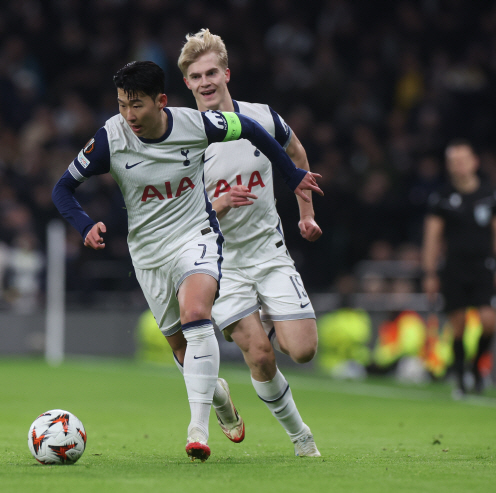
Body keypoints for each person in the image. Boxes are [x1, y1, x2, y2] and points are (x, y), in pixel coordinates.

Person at [52, 61, 323, 461]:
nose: (129, 115)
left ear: (161, 102)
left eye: (137, 106)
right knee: (182, 349)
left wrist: (290, 175)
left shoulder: (194, 126)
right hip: (148, 254)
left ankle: (197, 430)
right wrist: (84, 224)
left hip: (198, 238)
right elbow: (63, 189)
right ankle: (217, 396)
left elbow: (249, 128)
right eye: (123, 105)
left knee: (197, 313)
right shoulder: (111, 137)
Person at [177, 29, 321, 457]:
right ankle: (301, 438)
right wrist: (217, 204)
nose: (205, 82)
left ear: (226, 73)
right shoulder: (184, 139)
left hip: (270, 253)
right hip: (220, 265)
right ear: (187, 83)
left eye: (211, 72)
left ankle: (272, 319)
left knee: (304, 350)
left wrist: (306, 213)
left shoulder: (262, 117)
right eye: (196, 76)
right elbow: (178, 217)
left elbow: (296, 154)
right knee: (259, 354)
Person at [422, 140, 496, 397]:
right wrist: (429, 273)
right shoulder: (441, 198)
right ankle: (461, 377)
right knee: (458, 324)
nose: (458, 165)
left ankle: (475, 366)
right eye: (453, 161)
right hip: (454, 267)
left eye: (462, 160)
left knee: (489, 322)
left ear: (474, 162)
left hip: (484, 266)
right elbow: (432, 237)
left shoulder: (491, 194)